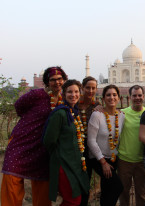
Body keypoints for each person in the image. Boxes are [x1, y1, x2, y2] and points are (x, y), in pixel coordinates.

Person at [1, 66, 67, 206]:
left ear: (64, 79)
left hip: (42, 148)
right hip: (21, 143)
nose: (57, 82)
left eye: (60, 79)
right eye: (53, 80)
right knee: (11, 182)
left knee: (42, 187)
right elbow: (19, 106)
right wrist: (29, 122)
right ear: (47, 82)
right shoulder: (37, 95)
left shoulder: (65, 99)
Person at [43, 79, 90, 205]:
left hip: (73, 164)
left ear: (79, 94)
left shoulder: (73, 113)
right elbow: (49, 140)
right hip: (63, 165)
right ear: (63, 94)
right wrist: (60, 154)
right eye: (69, 92)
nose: (73, 95)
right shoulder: (60, 114)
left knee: (74, 199)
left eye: (76, 92)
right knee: (72, 200)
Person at [88, 84, 125, 206]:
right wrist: (103, 162)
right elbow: (91, 141)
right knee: (117, 187)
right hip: (98, 159)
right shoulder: (97, 115)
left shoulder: (121, 116)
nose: (111, 97)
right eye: (108, 95)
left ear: (119, 98)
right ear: (103, 98)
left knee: (107, 190)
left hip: (113, 158)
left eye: (114, 95)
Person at [117, 85, 145, 206]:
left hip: (142, 160)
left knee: (141, 194)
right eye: (134, 95)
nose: (137, 98)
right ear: (130, 97)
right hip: (124, 160)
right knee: (124, 193)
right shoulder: (122, 114)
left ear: (143, 96)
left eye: (139, 95)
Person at [78, 76, 101, 206]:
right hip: (78, 148)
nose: (90, 91)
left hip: (92, 148)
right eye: (88, 87)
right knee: (82, 181)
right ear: (82, 88)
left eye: (93, 88)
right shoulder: (75, 103)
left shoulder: (97, 105)